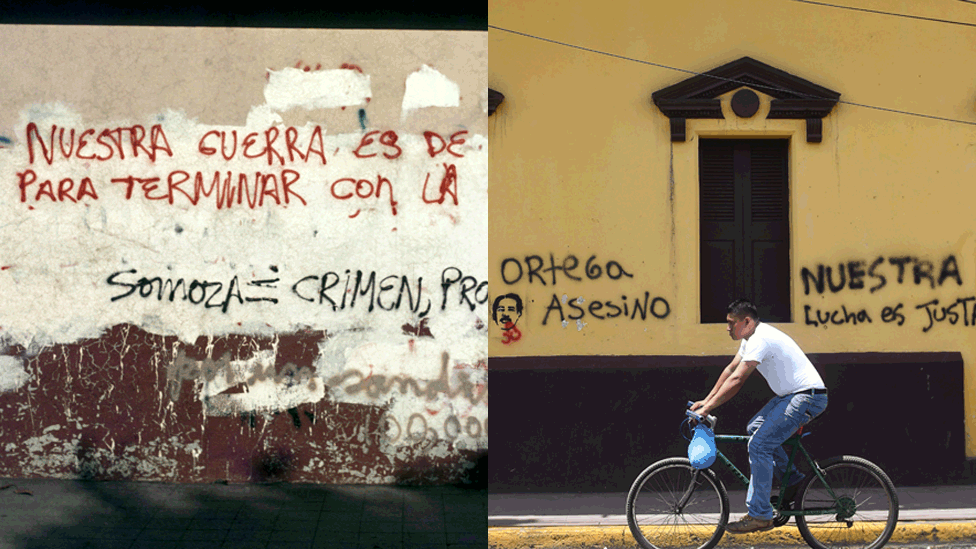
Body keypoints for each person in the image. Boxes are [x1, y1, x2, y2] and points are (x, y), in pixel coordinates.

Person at [691, 298, 828, 534]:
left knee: (760, 445)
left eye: (731, 323)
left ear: (746, 321)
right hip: (791, 396)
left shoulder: (760, 338)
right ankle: (793, 481)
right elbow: (730, 370)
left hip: (806, 397)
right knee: (755, 428)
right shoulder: (750, 339)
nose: (727, 328)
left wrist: (707, 409)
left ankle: (760, 515)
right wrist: (707, 399)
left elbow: (737, 380)